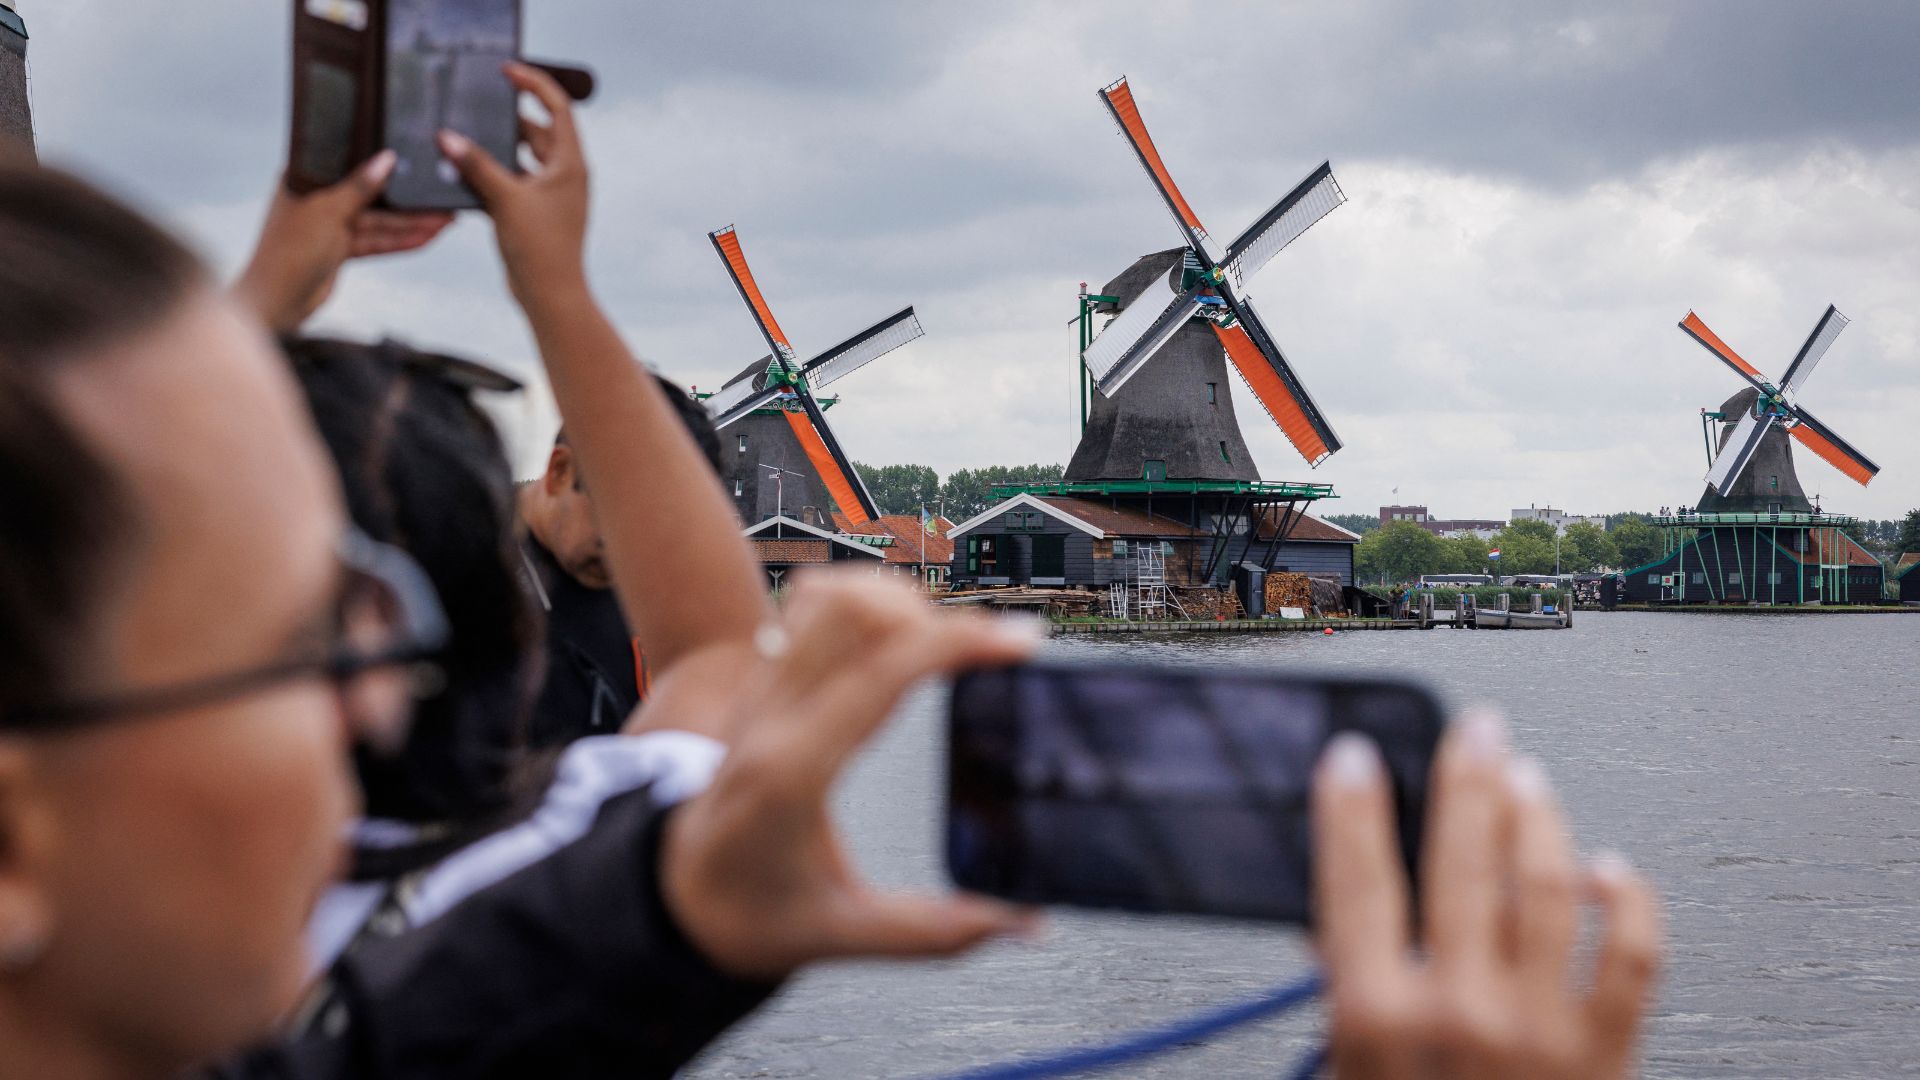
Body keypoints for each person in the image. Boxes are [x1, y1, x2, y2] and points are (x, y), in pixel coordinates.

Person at [516, 395, 726, 749]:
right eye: (618, 524)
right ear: (561, 472)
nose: (631, 553)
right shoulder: (461, 568)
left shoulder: (669, 598)